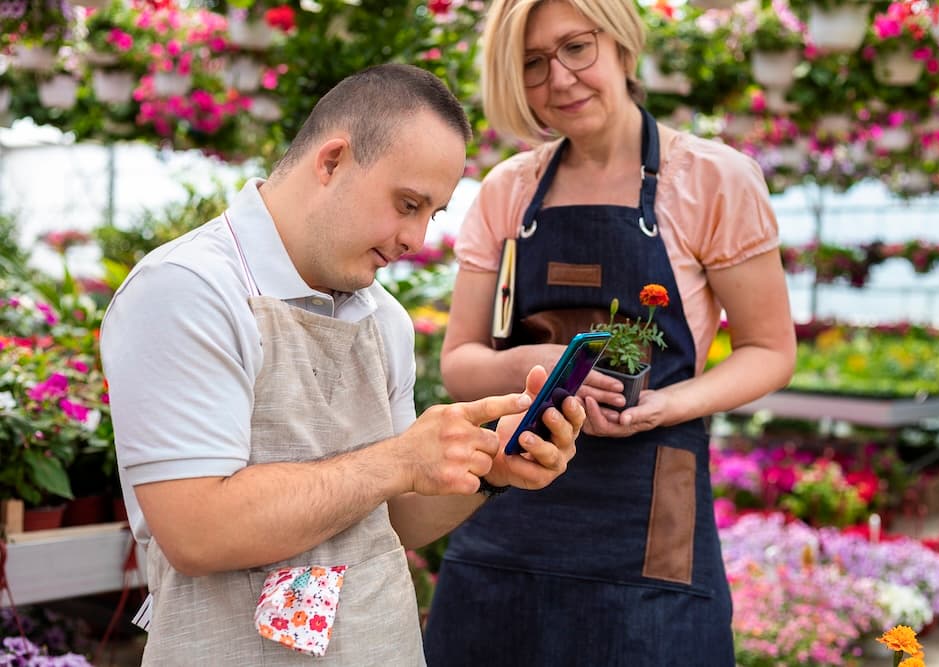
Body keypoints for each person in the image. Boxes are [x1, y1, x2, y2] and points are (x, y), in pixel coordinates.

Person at [99, 63, 585, 666]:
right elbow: (197, 530)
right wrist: (402, 457)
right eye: (407, 203)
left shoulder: (385, 320)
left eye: (430, 214)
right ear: (331, 162)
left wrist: (492, 467)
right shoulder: (187, 290)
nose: (416, 238)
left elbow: (398, 519)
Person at [421, 1, 797, 665]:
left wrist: (664, 404)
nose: (559, 79)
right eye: (533, 64)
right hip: (510, 513)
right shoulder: (508, 192)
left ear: (622, 45)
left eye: (576, 48)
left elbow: (770, 352)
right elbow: (461, 363)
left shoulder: (712, 181)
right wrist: (542, 362)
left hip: (650, 522)